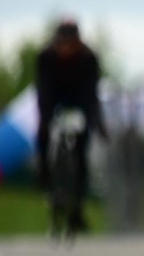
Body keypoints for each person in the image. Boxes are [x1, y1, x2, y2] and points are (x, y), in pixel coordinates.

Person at [33, 17, 106, 231]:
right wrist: (45, 119)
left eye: (71, 43)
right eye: (63, 43)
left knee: (82, 148)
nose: (66, 48)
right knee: (43, 132)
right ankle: (44, 172)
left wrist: (96, 121)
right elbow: (43, 91)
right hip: (54, 98)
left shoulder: (89, 58)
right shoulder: (45, 57)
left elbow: (92, 94)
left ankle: (77, 205)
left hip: (79, 100)